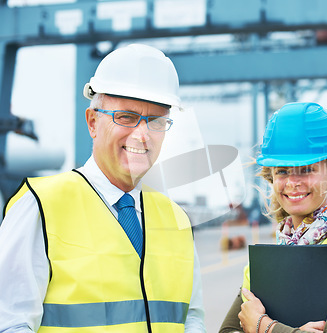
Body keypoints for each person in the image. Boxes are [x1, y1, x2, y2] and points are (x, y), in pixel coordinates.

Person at [0, 44, 206, 332]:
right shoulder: (41, 207)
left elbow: (191, 317)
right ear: (93, 122)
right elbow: (10, 324)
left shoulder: (177, 220)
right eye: (127, 117)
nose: (142, 135)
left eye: (156, 121)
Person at [219, 102, 327, 333]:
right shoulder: (264, 260)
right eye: (282, 171)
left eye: (306, 169)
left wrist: (264, 326)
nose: (293, 183)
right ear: (272, 177)